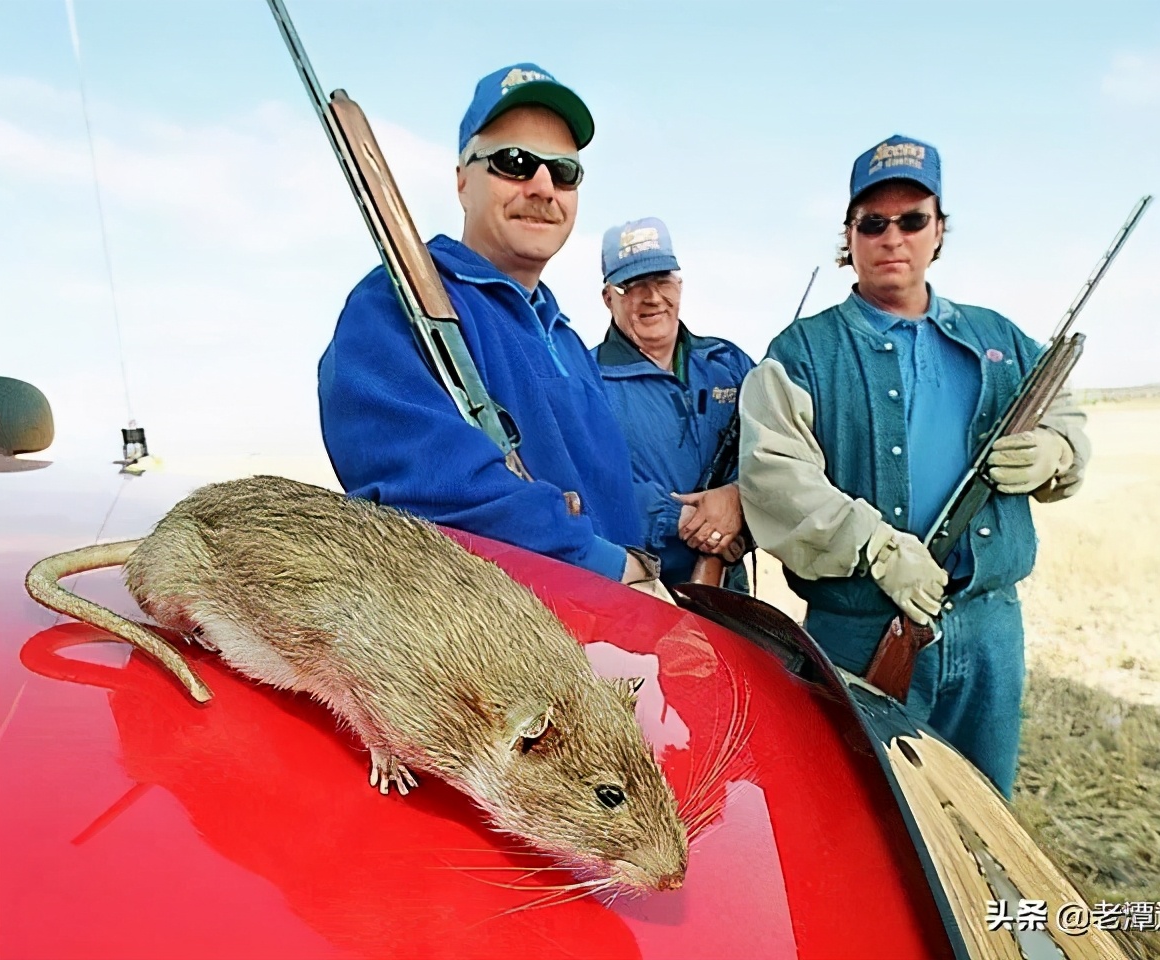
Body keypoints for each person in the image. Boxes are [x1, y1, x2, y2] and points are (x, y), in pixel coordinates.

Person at [737, 135, 1089, 797]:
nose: (891, 237)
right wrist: (873, 545)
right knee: (860, 819)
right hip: (860, 628)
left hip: (988, 629)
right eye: (872, 223)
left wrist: (1057, 452)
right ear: (849, 236)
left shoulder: (1001, 337)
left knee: (985, 818)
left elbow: (1065, 413)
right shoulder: (800, 353)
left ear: (939, 231)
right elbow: (774, 477)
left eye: (912, 220)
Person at [318, 64, 657, 587]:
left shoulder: (567, 339)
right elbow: (430, 492)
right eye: (514, 162)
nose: (543, 187)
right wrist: (612, 566)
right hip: (495, 654)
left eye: (563, 171)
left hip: (623, 640)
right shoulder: (395, 302)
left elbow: (612, 492)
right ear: (462, 182)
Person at [591, 218, 755, 589]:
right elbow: (588, 480)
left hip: (730, 586)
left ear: (679, 284)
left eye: (662, 280)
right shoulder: (585, 378)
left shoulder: (729, 364)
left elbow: (777, 456)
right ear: (608, 297)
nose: (652, 298)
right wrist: (682, 520)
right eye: (633, 286)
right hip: (635, 587)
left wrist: (738, 500)